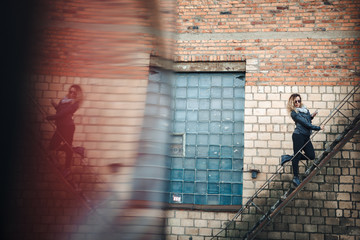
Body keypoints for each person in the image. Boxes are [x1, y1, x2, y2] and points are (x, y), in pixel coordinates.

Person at [281, 93, 323, 187]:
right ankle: (295, 177)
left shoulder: (305, 110)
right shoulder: (294, 113)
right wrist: (318, 128)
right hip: (298, 135)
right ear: (292, 103)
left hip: (306, 136)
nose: (297, 103)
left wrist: (312, 116)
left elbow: (307, 119)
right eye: (295, 101)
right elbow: (305, 123)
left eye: (299, 101)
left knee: (311, 155)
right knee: (297, 155)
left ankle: (288, 157)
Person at [47, 84, 83, 175]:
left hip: (68, 127)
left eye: (74, 92)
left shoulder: (75, 103)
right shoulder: (64, 100)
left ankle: (67, 169)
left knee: (67, 147)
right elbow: (60, 110)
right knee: (52, 147)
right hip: (60, 126)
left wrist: (50, 117)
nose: (71, 94)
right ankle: (77, 150)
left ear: (77, 94)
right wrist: (54, 105)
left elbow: (63, 114)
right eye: (70, 91)